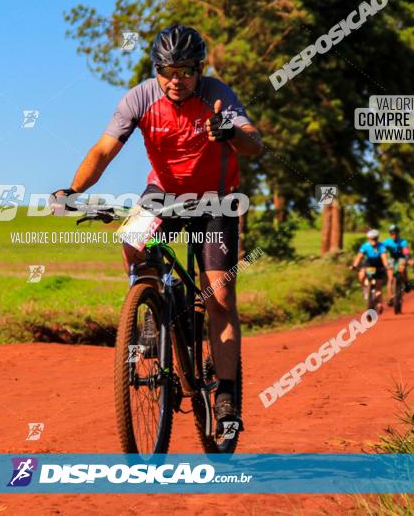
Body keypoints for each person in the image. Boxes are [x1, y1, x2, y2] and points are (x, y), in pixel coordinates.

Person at [51, 24, 262, 430]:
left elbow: (255, 143)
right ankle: (150, 309)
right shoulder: (140, 98)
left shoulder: (218, 95)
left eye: (185, 70)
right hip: (163, 193)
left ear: (200, 69)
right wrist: (73, 190)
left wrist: (231, 133)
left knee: (218, 293)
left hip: (215, 200)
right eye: (167, 71)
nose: (175, 80)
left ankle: (227, 397)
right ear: (156, 70)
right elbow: (103, 149)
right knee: (131, 238)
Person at [350, 229, 390, 312]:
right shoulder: (365, 246)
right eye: (371, 239)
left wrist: (386, 265)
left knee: (378, 287)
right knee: (362, 274)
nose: (373, 241)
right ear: (368, 239)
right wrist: (354, 265)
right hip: (369, 265)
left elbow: (384, 257)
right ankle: (365, 288)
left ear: (377, 238)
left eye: (375, 239)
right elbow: (359, 257)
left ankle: (379, 303)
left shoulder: (381, 246)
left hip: (379, 265)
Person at [381, 224, 414, 304]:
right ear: (390, 234)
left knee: (402, 268)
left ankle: (406, 283)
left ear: (398, 233)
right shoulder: (386, 242)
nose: (394, 235)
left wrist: (408, 259)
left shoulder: (402, 242)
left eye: (396, 233)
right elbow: (382, 250)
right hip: (392, 259)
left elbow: (406, 250)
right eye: (392, 233)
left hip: (401, 259)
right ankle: (390, 297)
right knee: (390, 278)